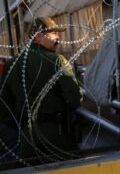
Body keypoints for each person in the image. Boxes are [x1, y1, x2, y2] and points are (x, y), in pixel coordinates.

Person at [0, 17, 83, 160]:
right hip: (57, 132)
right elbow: (75, 98)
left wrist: (20, 125)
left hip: (28, 133)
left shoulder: (12, 64)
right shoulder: (56, 60)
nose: (58, 37)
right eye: (53, 33)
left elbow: (3, 105)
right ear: (38, 37)